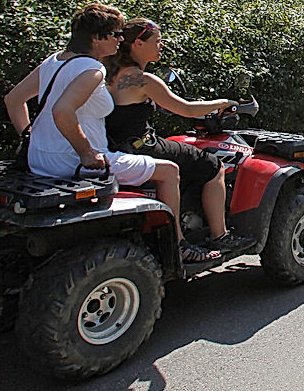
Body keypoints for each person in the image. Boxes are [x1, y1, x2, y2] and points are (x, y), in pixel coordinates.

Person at [4, 3, 220, 263]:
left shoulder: (54, 61)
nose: (121, 39)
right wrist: (86, 152)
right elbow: (62, 111)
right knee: (169, 171)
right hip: (74, 163)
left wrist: (30, 139)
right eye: (116, 34)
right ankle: (178, 244)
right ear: (96, 38)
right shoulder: (92, 70)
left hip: (38, 160)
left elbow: (13, 99)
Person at [104, 18, 246, 251]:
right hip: (143, 146)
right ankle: (219, 236)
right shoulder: (142, 80)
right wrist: (222, 103)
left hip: (115, 146)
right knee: (213, 166)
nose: (162, 45)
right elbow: (187, 110)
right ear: (138, 44)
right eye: (157, 41)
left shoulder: (109, 72)